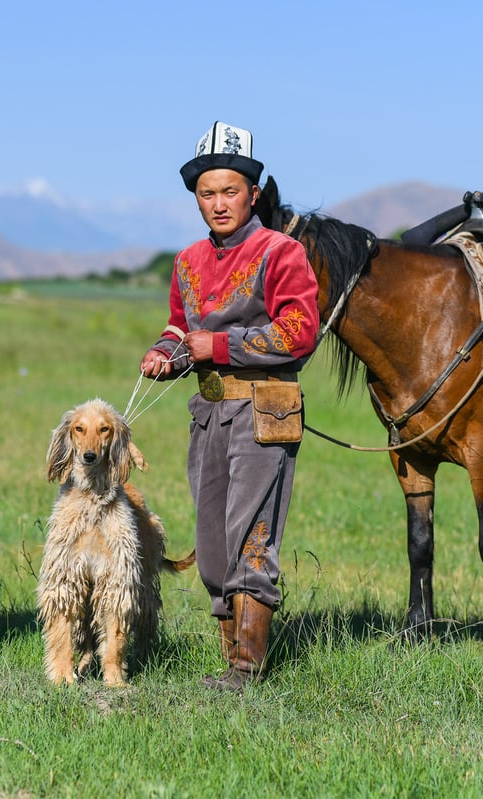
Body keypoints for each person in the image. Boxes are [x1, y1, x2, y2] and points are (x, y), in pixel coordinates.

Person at [140, 121, 320, 691]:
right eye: (207, 193)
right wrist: (166, 352)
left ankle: (246, 668)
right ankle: (230, 659)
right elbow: (178, 326)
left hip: (264, 409)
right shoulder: (188, 261)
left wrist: (216, 346)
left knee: (252, 536)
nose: (218, 203)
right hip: (207, 412)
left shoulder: (281, 252)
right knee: (213, 548)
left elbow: (299, 332)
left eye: (230, 191)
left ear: (253, 193)